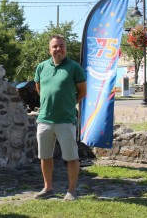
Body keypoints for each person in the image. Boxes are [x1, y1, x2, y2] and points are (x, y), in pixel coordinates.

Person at [33, 34, 87, 201]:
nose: (58, 49)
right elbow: (39, 89)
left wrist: (69, 103)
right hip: (44, 120)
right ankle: (48, 188)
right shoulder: (41, 67)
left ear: (65, 48)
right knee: (45, 156)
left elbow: (83, 91)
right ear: (50, 49)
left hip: (65, 120)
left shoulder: (74, 67)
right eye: (55, 46)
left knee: (71, 157)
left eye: (61, 46)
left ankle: (71, 191)